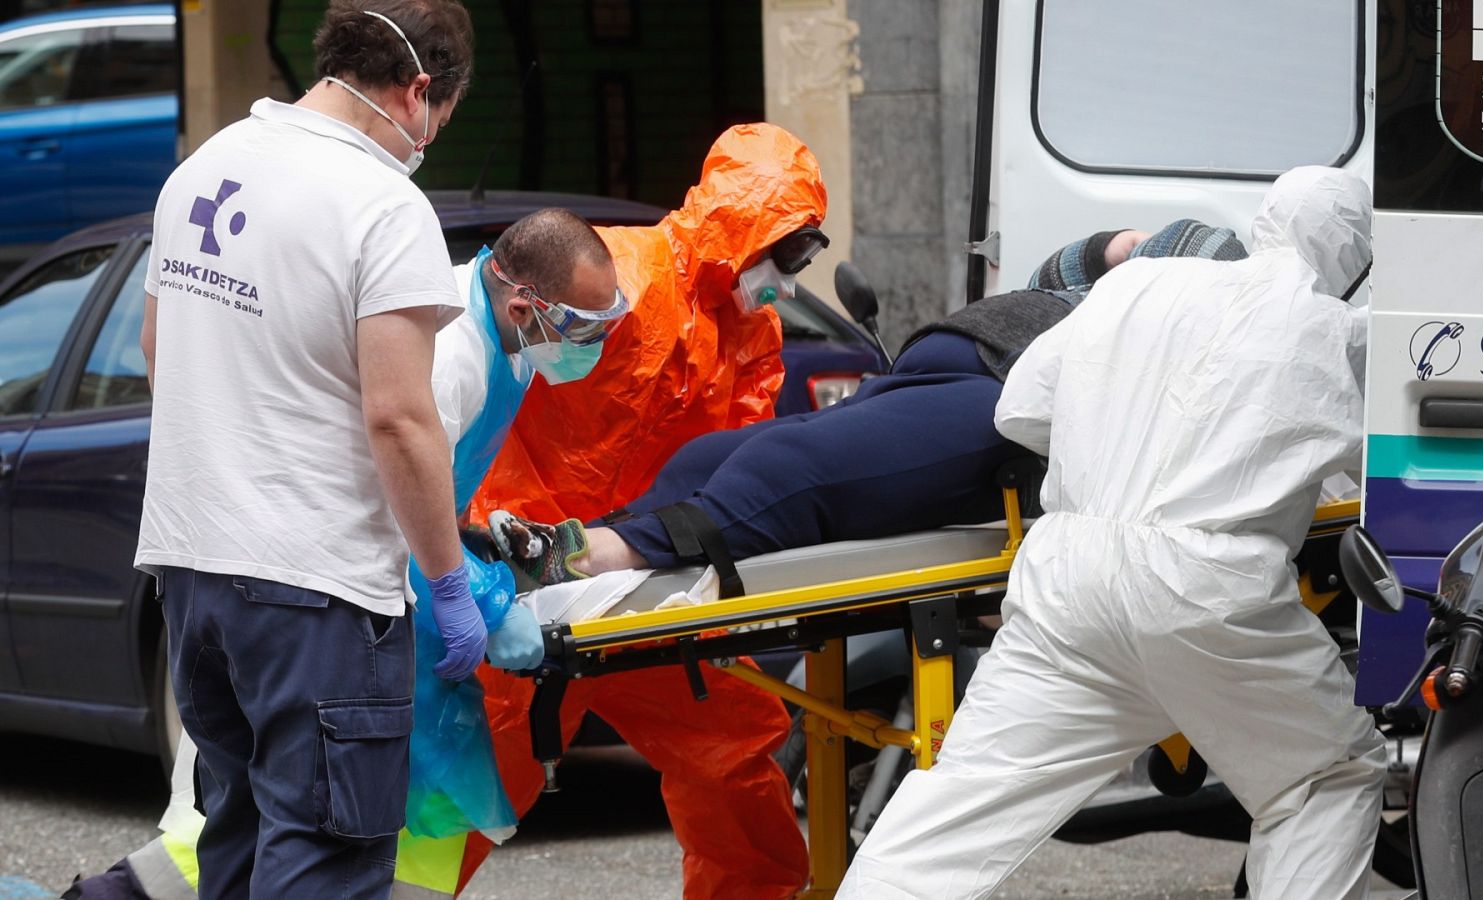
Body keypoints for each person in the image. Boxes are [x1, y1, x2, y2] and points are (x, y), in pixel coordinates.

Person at [834, 166, 1386, 900]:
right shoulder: (1337, 331)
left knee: (957, 807)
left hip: (1069, 580)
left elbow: (1021, 411)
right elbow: (1387, 467)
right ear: (1352, 259)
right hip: (1208, 593)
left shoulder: (1138, 284)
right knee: (1326, 774)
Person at [67, 209, 625, 900]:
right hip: (356, 605)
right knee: (288, 834)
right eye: (583, 330)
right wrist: (480, 594)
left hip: (388, 612)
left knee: (376, 835)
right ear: (524, 301)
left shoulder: (505, 341)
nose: (592, 346)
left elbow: (432, 484)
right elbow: (389, 490)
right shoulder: (450, 354)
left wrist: (478, 544)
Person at [131, 1, 477, 897]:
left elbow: (157, 353)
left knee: (237, 838)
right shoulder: (383, 205)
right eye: (438, 118)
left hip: (193, 575)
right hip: (315, 593)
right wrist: (447, 581)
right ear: (420, 91)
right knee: (323, 857)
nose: (428, 137)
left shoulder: (202, 169)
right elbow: (399, 417)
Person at [458, 123, 827, 900]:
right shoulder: (614, 279)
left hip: (653, 581)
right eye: (784, 255)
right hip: (531, 575)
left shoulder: (751, 334)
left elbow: (741, 466)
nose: (788, 284)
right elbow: (483, 389)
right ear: (739, 231)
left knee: (732, 751)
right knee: (470, 777)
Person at [486, 220, 1248, 581]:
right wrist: (1129, 244)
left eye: (1155, 260)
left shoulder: (1203, 314)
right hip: (947, 362)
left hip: (1003, 403)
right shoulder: (1091, 291)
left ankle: (591, 557)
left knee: (795, 463)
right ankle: (578, 543)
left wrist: (1158, 259)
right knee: (715, 453)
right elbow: (1069, 263)